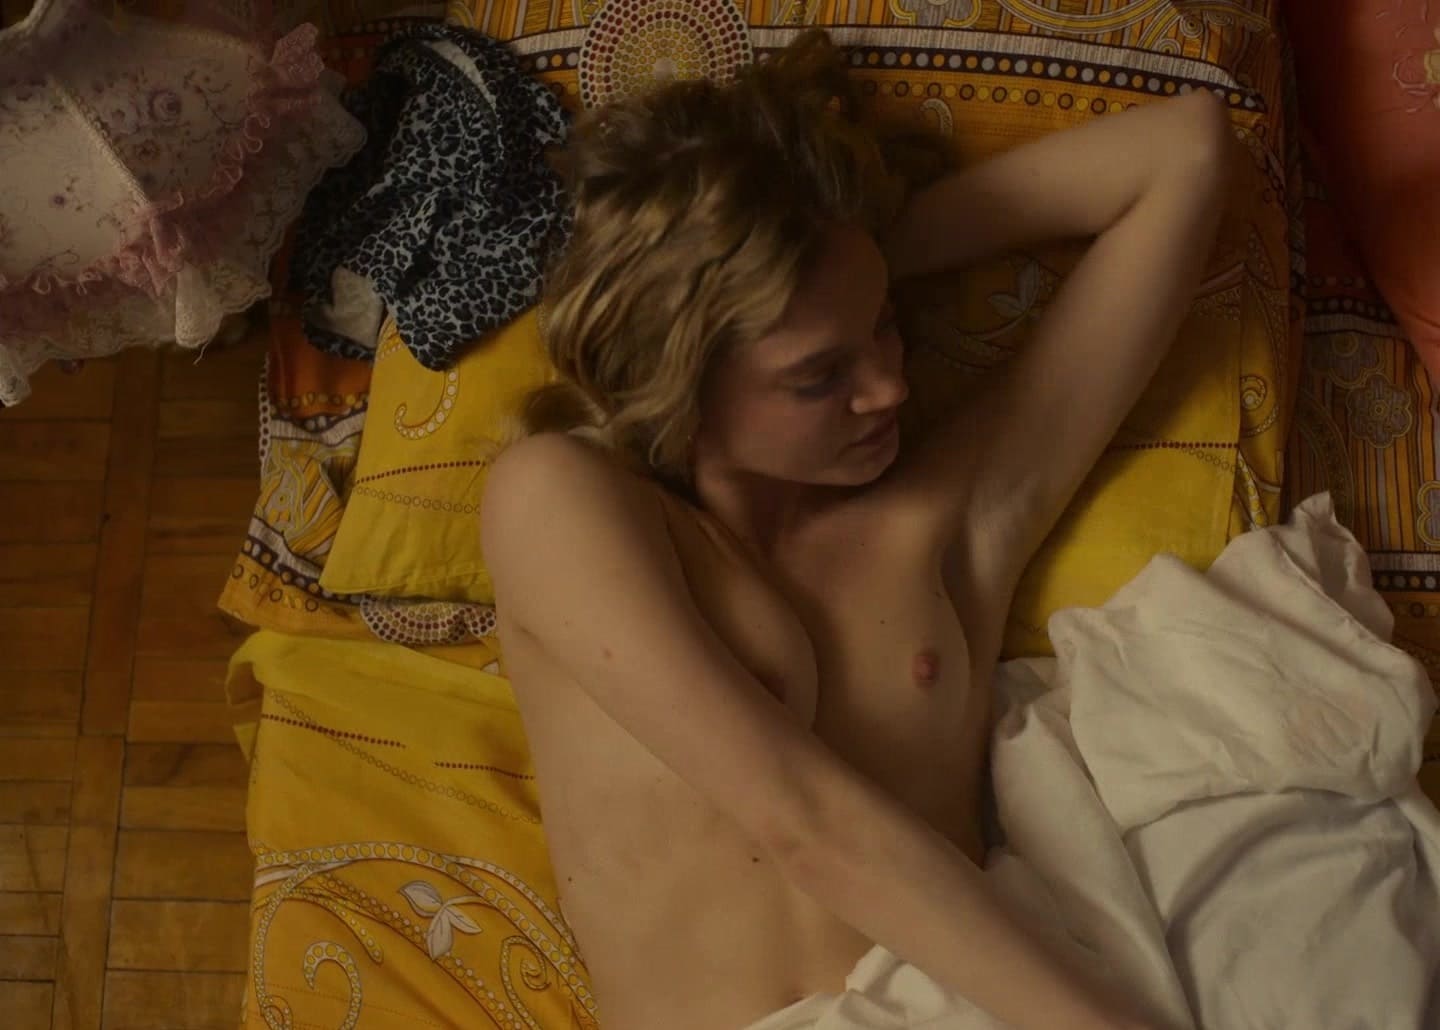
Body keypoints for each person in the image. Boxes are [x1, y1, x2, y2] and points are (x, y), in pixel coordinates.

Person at [481, 29, 1230, 1030]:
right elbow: (801, 822)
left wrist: (833, 251)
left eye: (885, 325)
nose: (888, 387)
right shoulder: (558, 499)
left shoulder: (949, 519)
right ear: (681, 378)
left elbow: (1185, 152)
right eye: (819, 375)